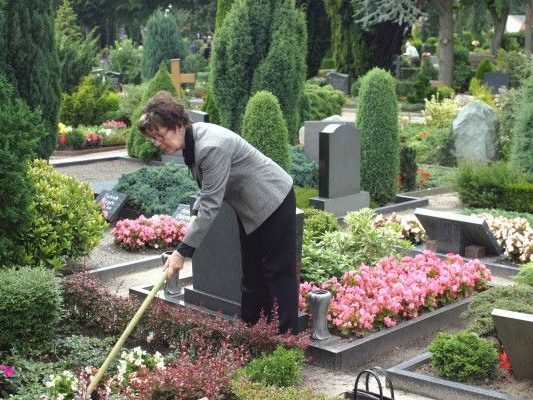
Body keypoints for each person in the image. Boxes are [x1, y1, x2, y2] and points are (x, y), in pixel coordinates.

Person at [137, 91, 298, 334]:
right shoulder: (192, 142)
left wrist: (182, 253)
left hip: (273, 199)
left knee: (278, 273)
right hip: (250, 209)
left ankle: (287, 341)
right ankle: (253, 335)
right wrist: (195, 210)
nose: (158, 143)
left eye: (160, 135)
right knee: (252, 276)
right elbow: (209, 188)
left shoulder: (210, 145)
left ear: (179, 125)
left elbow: (212, 203)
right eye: (154, 139)